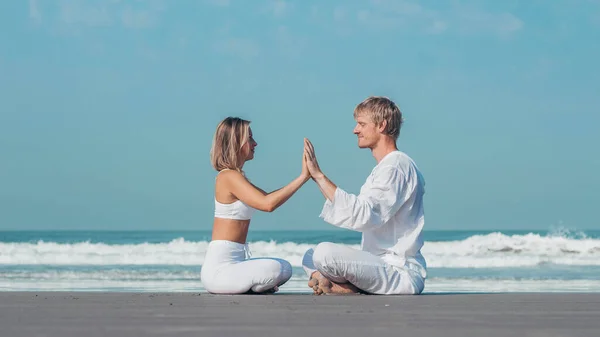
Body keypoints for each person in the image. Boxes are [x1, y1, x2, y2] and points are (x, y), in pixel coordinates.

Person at [301, 96, 427, 295]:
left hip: (399, 272)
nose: (355, 130)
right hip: (377, 264)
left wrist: (318, 175)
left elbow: (366, 214)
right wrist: (317, 178)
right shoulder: (386, 166)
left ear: (382, 125)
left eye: (361, 124)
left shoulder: (396, 166)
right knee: (310, 256)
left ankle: (346, 286)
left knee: (324, 253)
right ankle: (346, 286)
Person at [200, 117, 310, 294]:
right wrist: (303, 177)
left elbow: (266, 197)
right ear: (236, 142)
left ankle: (254, 286)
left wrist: (303, 177)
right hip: (219, 271)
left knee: (284, 267)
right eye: (249, 138)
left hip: (235, 263)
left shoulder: (237, 177)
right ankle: (254, 286)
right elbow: (268, 204)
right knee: (277, 269)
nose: (255, 143)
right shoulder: (228, 177)